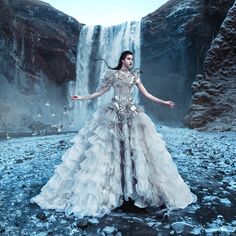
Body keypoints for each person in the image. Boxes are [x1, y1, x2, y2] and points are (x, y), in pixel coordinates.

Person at [30, 51, 197, 218]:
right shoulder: (113, 74)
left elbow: (146, 94)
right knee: (111, 149)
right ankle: (112, 191)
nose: (132, 61)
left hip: (131, 114)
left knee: (135, 150)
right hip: (114, 114)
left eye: (133, 59)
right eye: (129, 58)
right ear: (122, 60)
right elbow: (100, 92)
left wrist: (164, 102)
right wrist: (82, 97)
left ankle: (132, 189)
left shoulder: (134, 76)